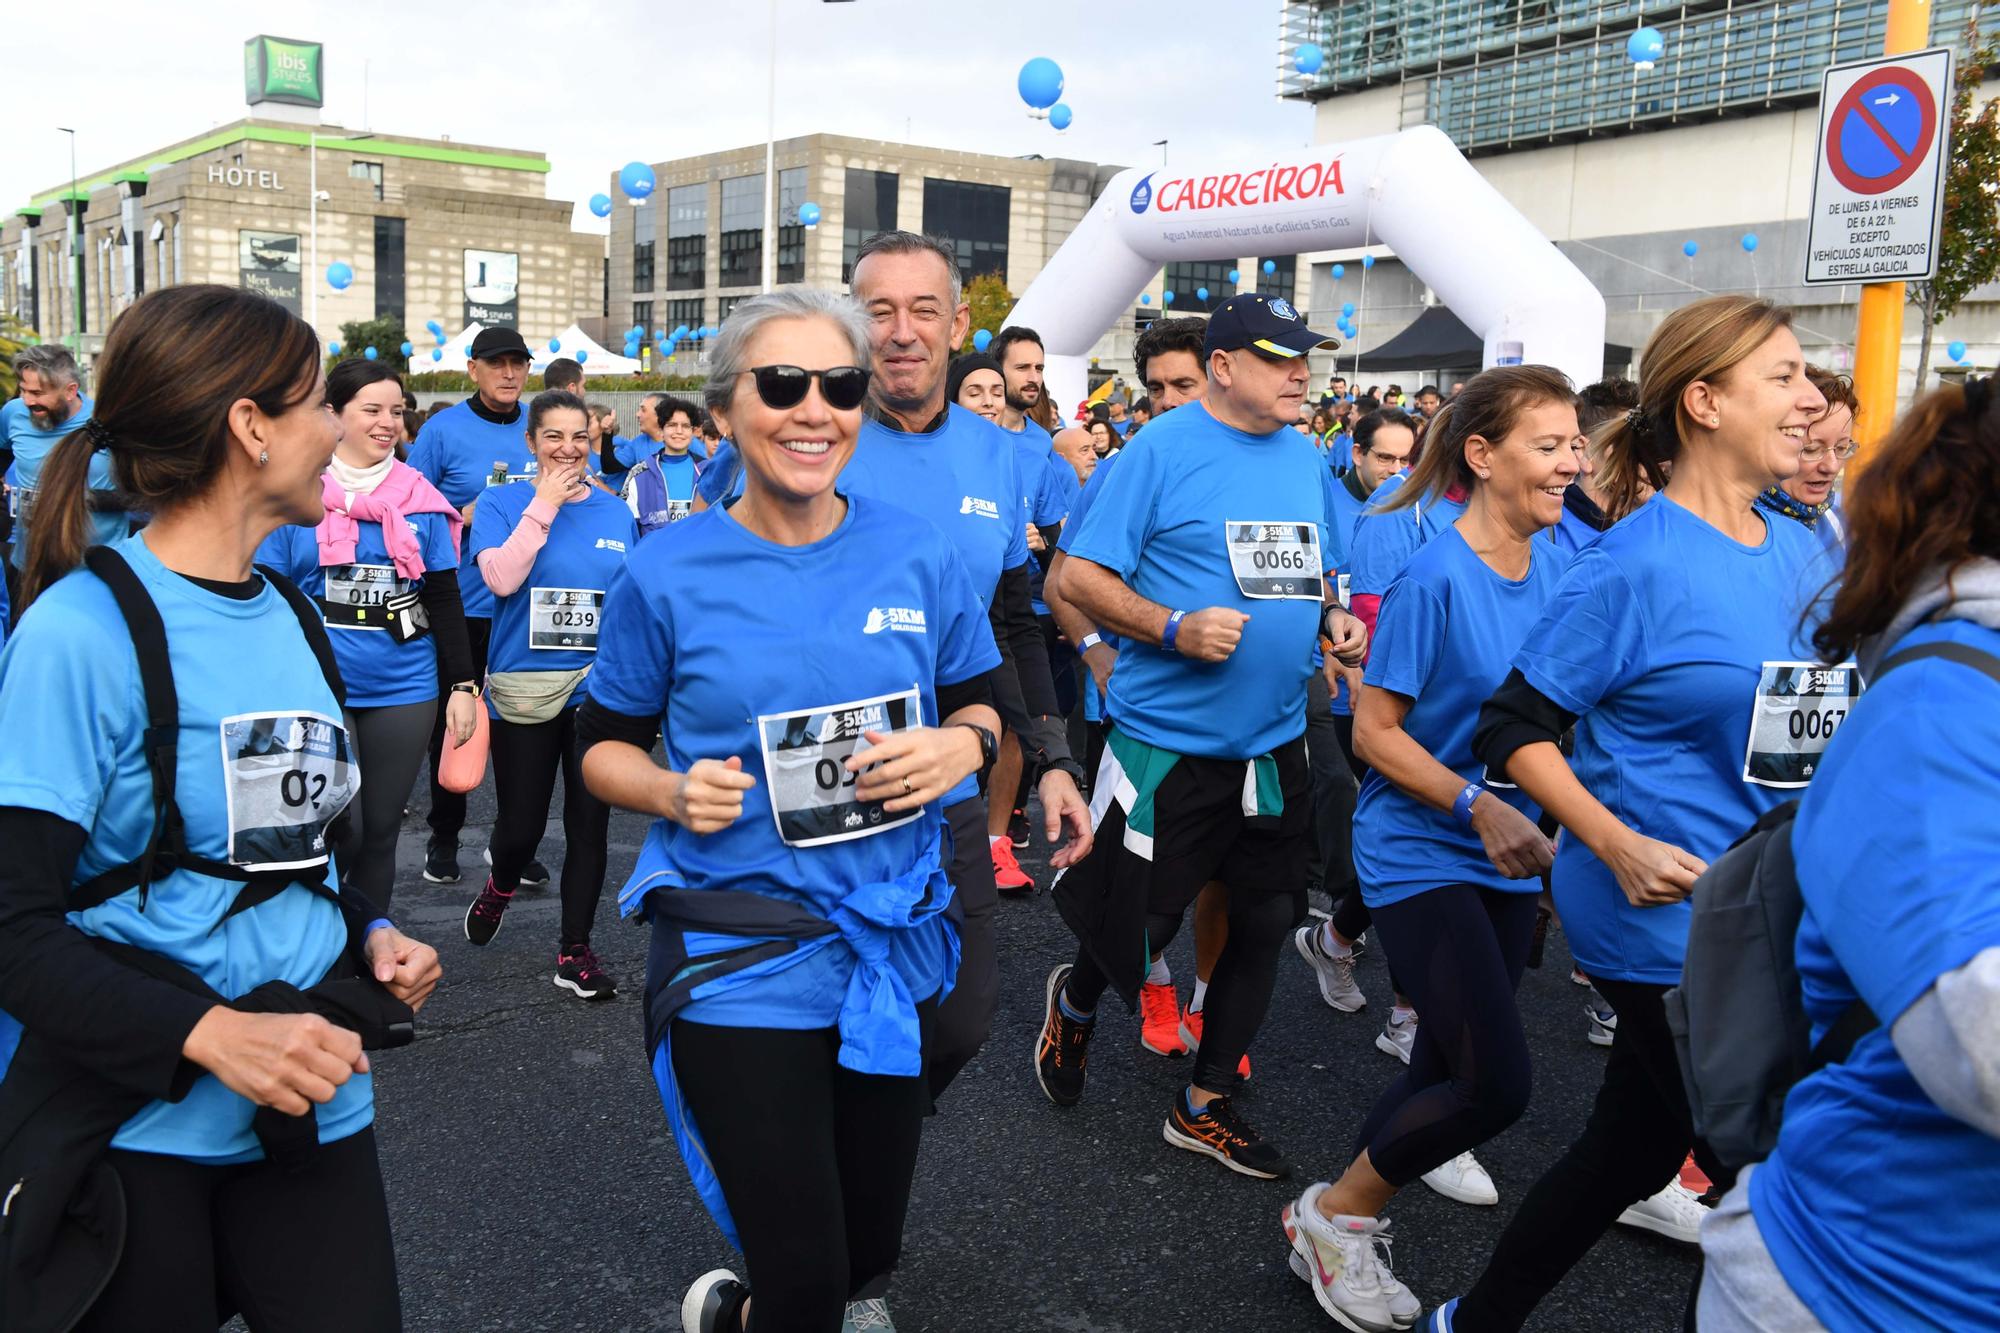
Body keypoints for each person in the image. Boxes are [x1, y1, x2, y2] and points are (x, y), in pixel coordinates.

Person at [0, 284, 440, 1328]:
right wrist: (209, 1033)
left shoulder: (289, 608)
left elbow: (291, 851)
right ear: (250, 427)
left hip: (313, 1106)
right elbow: (11, 925)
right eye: (318, 404)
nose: (340, 428)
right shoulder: (80, 633)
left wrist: (366, 932)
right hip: (137, 1135)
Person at [577, 289, 1003, 1333]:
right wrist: (670, 789)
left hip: (889, 942)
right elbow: (599, 750)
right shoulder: (665, 569)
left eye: (840, 385)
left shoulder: (915, 549)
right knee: (813, 1281)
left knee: (868, 1252)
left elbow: (980, 699)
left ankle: (737, 1314)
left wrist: (966, 743)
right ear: (725, 409)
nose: (815, 409)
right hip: (742, 951)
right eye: (783, 384)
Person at [1430, 296, 1832, 1331]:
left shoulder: (1805, 549)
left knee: (1632, 1147)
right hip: (1660, 919)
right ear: (1702, 401)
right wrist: (1610, 840)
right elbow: (1509, 725)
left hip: (1769, 909)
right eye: (1782, 377)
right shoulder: (1632, 562)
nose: (1810, 398)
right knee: (1774, 1177)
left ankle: (1471, 1321)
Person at [1036, 293, 1366, 1179]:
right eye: (1281, 358)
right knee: (1135, 926)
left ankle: (1204, 1102)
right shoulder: (1160, 451)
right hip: (1165, 743)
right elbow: (1076, 575)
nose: (1303, 373)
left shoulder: (1304, 455)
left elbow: (1305, 567)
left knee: (1264, 919)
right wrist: (1170, 627)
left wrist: (1331, 616)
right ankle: (1074, 1003)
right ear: (1224, 367)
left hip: (1273, 743)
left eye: (1307, 358)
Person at [1697, 373, 2000, 1333]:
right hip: (1867, 1287)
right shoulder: (1940, 704)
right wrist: (1615, 842)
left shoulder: (1801, 543)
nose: (1820, 455)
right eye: (1793, 417)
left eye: (1834, 440)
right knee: (1511, 1087)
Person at [1281, 367, 1580, 1330]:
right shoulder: (1435, 575)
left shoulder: (1565, 565)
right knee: (1496, 1083)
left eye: (1577, 442)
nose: (1572, 461)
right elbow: (1371, 732)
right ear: (1484, 458)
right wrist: (1475, 805)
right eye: (1550, 444)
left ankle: (1329, 1222)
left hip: (1508, 848)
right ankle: (1338, 1213)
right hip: (1421, 847)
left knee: (1446, 1065)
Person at [1042, 315, 1227, 1061]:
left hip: (1247, 720)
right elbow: (1062, 582)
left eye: (1184, 384)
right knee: (1149, 889)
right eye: (1156, 388)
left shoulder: (1269, 462)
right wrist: (1094, 654)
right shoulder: (1129, 465)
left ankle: (1211, 1006)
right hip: (1139, 712)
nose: (1168, 401)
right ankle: (1139, 980)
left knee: (1235, 883)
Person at [255, 359, 478, 914]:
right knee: (337, 825)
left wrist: (463, 685)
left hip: (405, 683)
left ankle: (367, 953)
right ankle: (321, 935)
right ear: (333, 414)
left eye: (397, 412)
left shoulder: (420, 496)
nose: (387, 423)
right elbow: (268, 589)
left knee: (380, 831)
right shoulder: (298, 491)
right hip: (317, 682)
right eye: (372, 410)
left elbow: (444, 597)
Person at [460, 390, 637, 1000]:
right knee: (521, 826)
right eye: (554, 437)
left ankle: (575, 951)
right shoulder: (502, 503)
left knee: (589, 823)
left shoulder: (616, 513)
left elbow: (630, 604)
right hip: (525, 687)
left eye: (580, 437)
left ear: (594, 442)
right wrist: (543, 506)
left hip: (597, 689)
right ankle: (502, 881)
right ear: (531, 442)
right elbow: (501, 578)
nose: (568, 449)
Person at [407, 324, 552, 890]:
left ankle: (512, 842)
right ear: (474, 369)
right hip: (463, 604)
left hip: (526, 608)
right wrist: (459, 514)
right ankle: (444, 837)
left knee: (524, 734)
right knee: (457, 726)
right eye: (497, 364)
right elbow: (407, 512)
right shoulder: (442, 431)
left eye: (518, 363)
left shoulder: (540, 429)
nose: (510, 373)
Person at [1296, 408, 1418, 1012]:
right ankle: (1335, 899)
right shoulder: (1325, 491)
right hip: (1325, 669)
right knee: (1343, 787)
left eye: (1406, 459)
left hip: (1374, 674)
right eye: (1385, 459)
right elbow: (1317, 584)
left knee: (1380, 799)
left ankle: (1340, 927)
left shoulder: (1413, 507)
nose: (1396, 471)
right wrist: (1329, 641)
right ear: (1357, 453)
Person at [6, 345, 117, 575]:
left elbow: (145, 497)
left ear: (70, 390)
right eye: (23, 390)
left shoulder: (108, 421)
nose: (27, 401)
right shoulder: (12, 413)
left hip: (96, 570)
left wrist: (79, 499)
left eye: (37, 393)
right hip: (30, 567)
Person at [1755, 365, 1857, 558]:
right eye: (1811, 449)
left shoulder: (1841, 525)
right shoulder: (1736, 529)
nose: (1832, 466)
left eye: (1842, 448)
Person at [623, 395, 704, 538]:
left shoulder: (708, 472)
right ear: (661, 431)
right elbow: (629, 531)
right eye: (672, 425)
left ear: (692, 433)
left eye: (685, 426)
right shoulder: (639, 474)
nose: (679, 431)